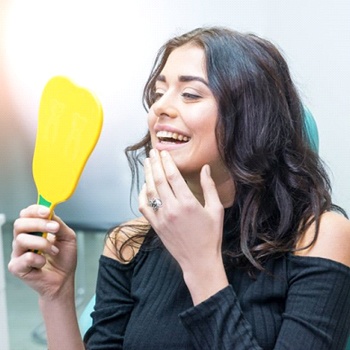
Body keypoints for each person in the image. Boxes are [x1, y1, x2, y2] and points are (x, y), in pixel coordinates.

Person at [8, 26, 350, 350]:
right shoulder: (128, 242)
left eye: (190, 94)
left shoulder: (318, 237)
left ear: (251, 118)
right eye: (158, 93)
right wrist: (56, 296)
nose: (160, 108)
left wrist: (201, 264)